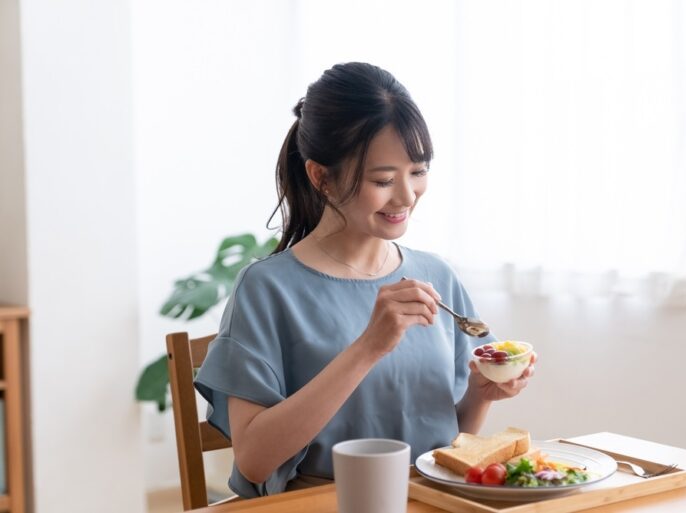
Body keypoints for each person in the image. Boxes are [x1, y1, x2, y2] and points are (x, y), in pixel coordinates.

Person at [194, 62, 536, 498]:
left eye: (418, 171)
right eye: (383, 179)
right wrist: (368, 347)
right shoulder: (267, 289)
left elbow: (446, 447)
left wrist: (480, 394)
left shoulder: (436, 276)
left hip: (426, 500)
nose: (407, 196)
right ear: (321, 176)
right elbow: (255, 460)